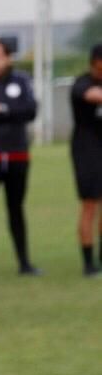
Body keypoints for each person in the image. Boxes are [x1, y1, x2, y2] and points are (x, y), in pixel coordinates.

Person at [0, 39, 40, 275]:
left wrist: (1, 110)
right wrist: (9, 111)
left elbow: (30, 110)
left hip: (17, 155)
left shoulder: (21, 80)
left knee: (16, 209)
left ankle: (24, 262)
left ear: (8, 58)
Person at [69, 43, 102, 277]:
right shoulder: (82, 84)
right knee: (90, 205)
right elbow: (93, 95)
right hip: (87, 150)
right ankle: (88, 263)